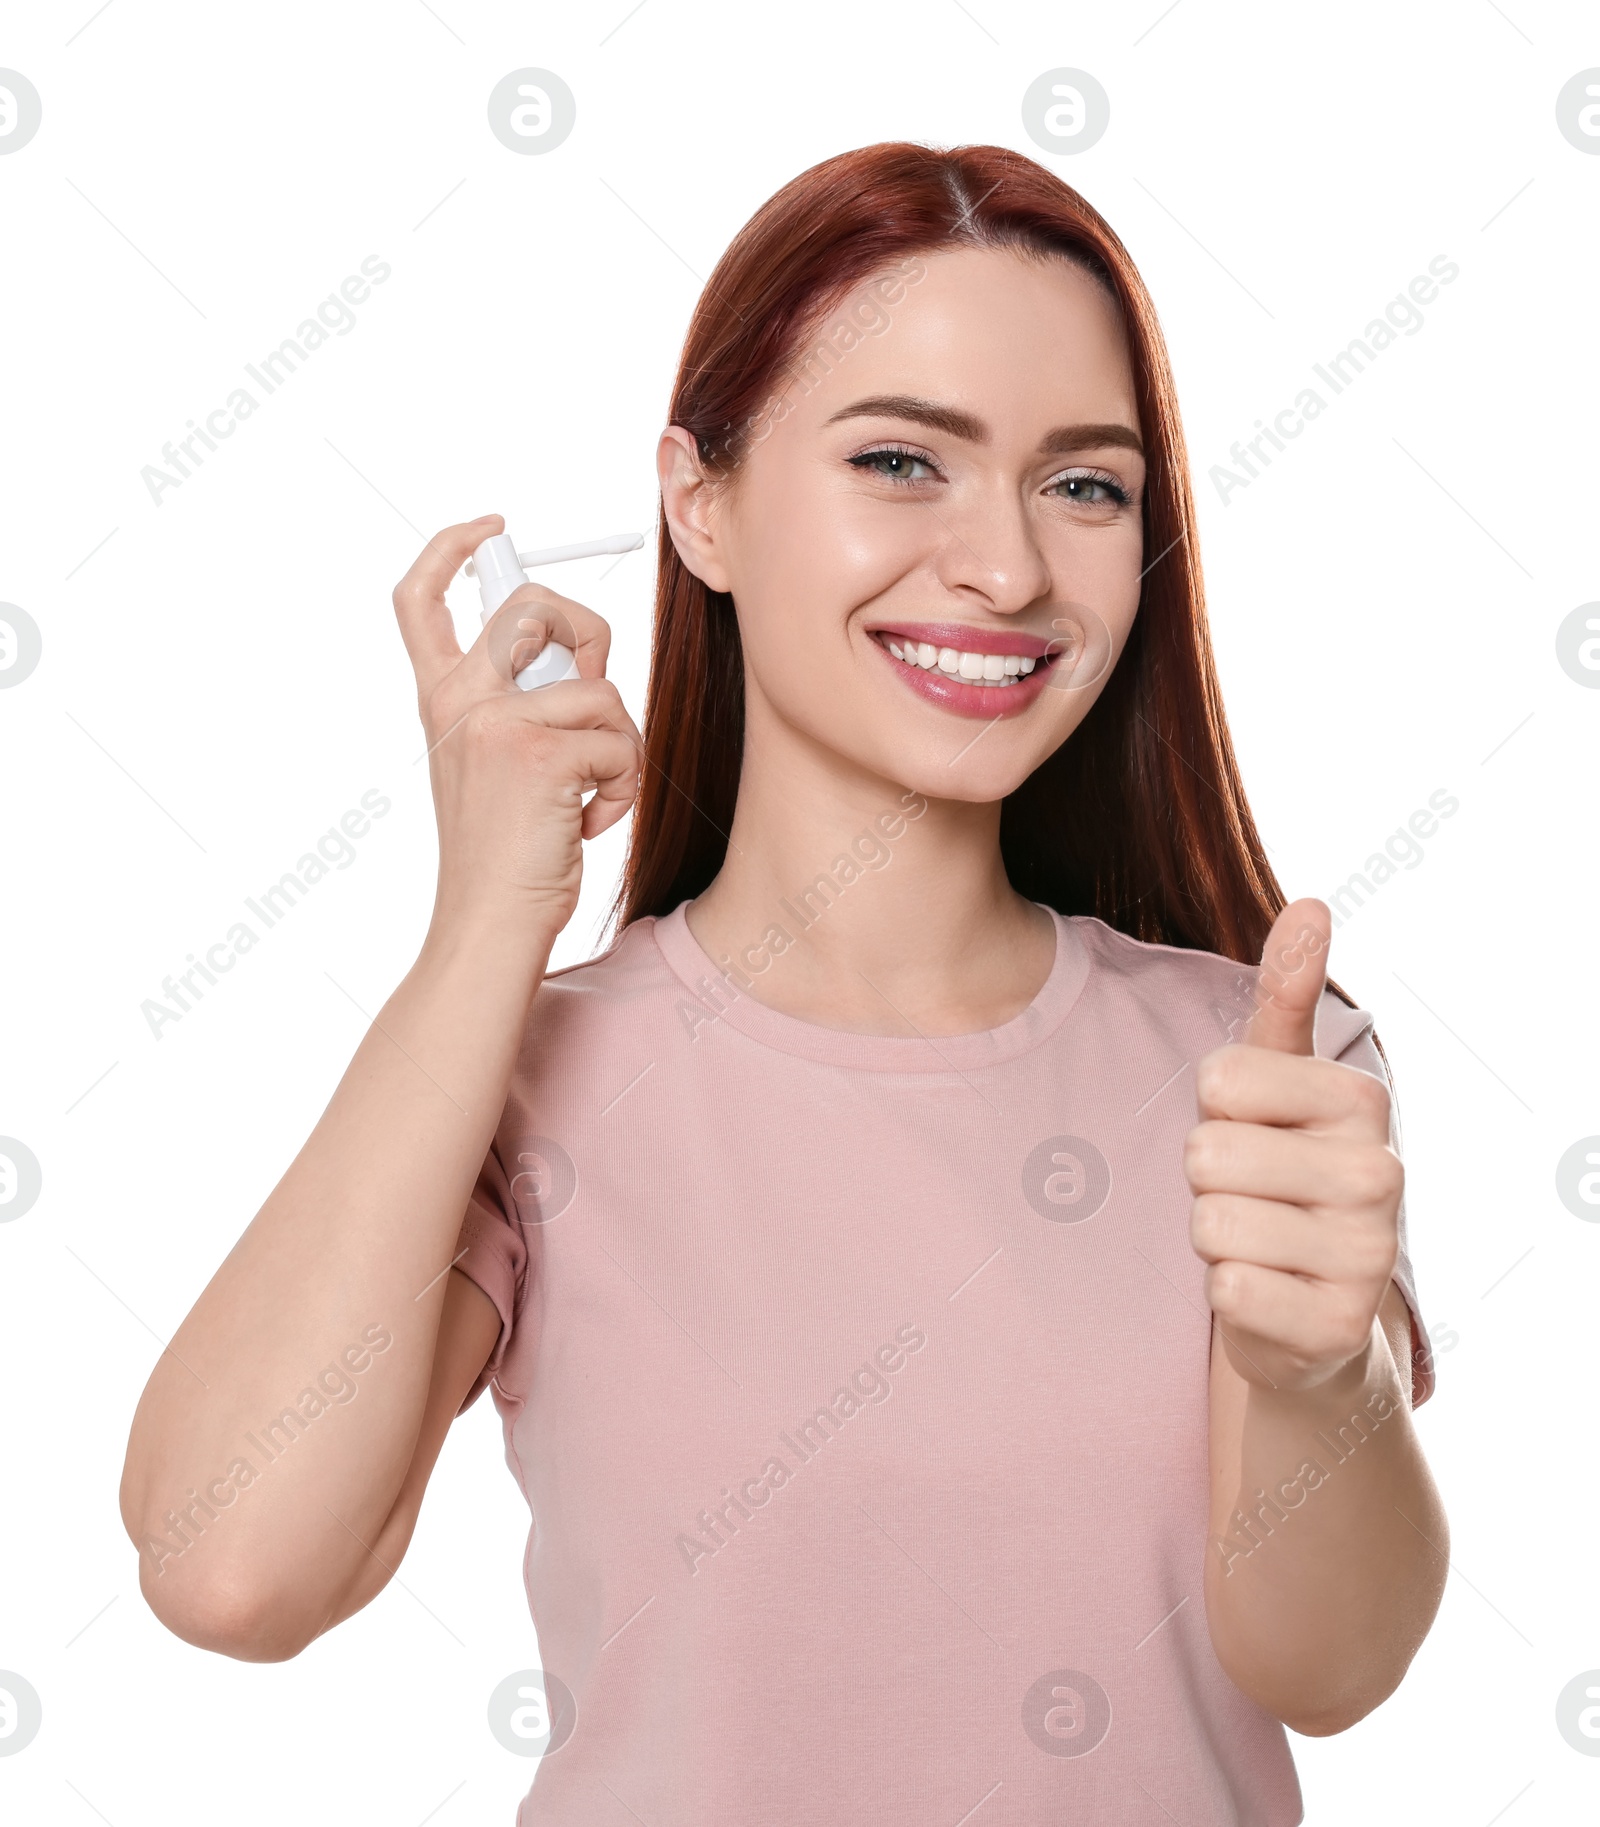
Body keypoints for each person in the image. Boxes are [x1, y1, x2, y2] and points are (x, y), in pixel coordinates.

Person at [120, 141, 1447, 1823]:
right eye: (904, 460)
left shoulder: (1258, 1061)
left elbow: (1331, 1672)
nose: (1009, 570)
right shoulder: (536, 1079)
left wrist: (1310, 1368)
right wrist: (487, 927)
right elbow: (229, 1568)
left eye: (1086, 486)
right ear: (700, 504)